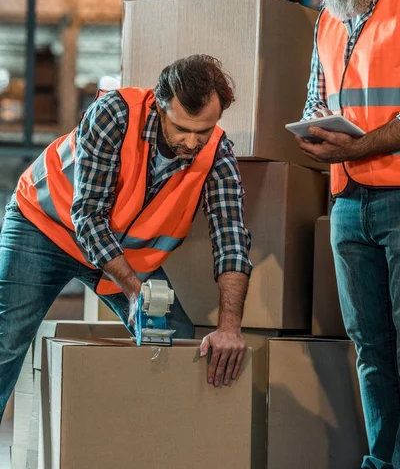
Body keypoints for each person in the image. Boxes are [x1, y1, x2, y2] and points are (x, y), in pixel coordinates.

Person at [0, 54, 252, 421]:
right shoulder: (115, 114)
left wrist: (230, 326)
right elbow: (87, 217)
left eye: (204, 131)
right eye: (182, 128)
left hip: (121, 251)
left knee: (176, 342)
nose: (193, 143)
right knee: (6, 343)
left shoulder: (217, 152)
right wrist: (135, 291)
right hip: (44, 226)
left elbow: (231, 237)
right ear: (160, 106)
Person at [296, 0, 400, 469]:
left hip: (397, 197)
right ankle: (382, 461)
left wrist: (361, 145)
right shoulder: (329, 16)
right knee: (371, 351)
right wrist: (311, 131)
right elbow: (317, 97)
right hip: (347, 203)